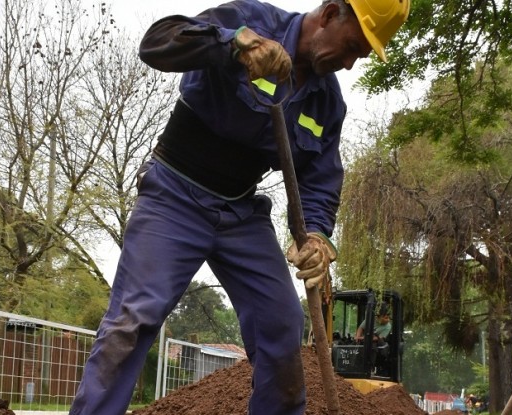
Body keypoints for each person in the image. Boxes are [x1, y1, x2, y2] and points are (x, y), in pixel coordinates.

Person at [68, 0, 409, 414]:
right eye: (353, 46)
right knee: (132, 320)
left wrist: (317, 234)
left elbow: (320, 178)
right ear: (331, 13)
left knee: (283, 324)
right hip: (174, 195)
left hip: (240, 213)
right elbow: (157, 43)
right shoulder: (252, 21)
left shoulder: (327, 104)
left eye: (363, 55)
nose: (352, 63)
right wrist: (231, 43)